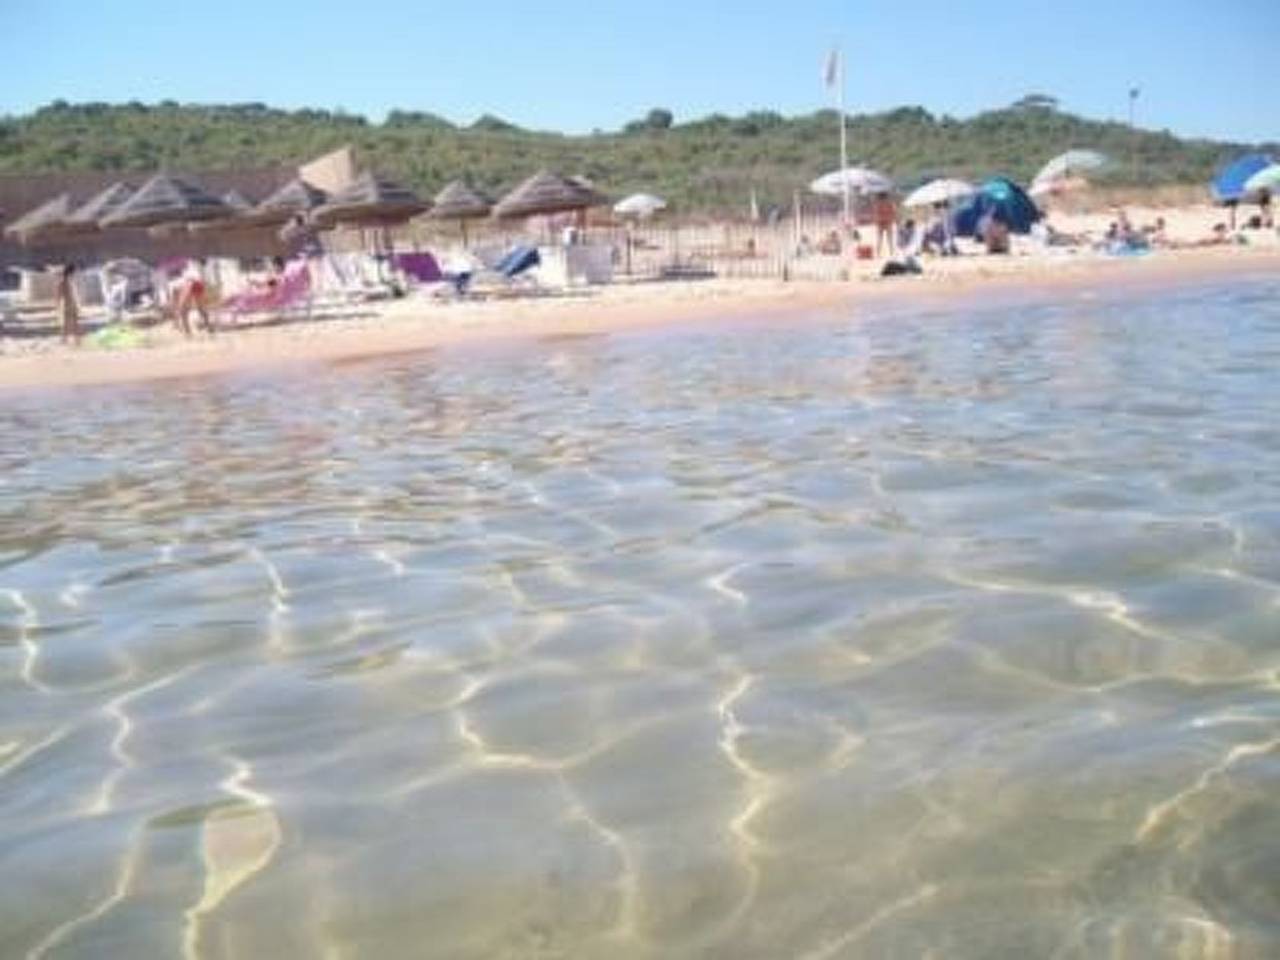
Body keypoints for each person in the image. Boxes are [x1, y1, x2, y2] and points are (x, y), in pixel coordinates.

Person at [175, 258, 213, 336]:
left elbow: (203, 263)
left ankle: (187, 331)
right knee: (200, 307)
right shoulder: (193, 261)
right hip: (196, 281)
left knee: (184, 309)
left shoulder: (192, 261)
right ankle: (208, 327)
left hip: (191, 281)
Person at [56, 263, 81, 345]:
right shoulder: (63, 282)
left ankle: (74, 339)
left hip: (70, 304)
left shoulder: (70, 282)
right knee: (67, 323)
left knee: (72, 322)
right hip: (67, 304)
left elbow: (74, 294)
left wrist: (77, 304)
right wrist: (58, 305)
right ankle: (66, 339)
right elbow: (59, 295)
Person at [873, 192, 897, 257]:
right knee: (890, 239)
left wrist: (877, 221)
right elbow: (893, 212)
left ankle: (878, 254)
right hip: (888, 222)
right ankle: (891, 253)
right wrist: (893, 219)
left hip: (880, 222)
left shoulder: (878, 204)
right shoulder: (890, 204)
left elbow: (876, 214)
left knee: (879, 239)